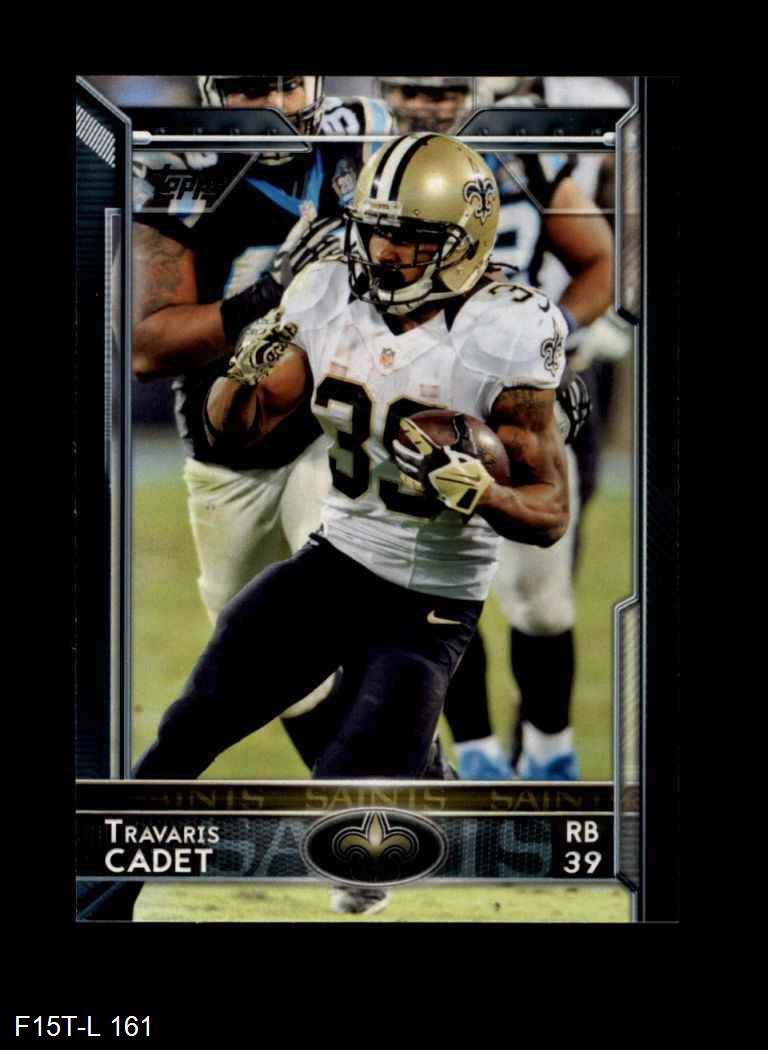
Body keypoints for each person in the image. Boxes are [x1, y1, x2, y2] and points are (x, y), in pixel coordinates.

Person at [79, 132, 570, 921]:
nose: (385, 252)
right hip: (336, 560)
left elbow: (549, 512)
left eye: (411, 238)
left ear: (464, 240)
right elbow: (237, 433)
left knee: (348, 840)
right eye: (375, 231)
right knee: (193, 723)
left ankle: (413, 778)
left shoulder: (508, 329)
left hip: (431, 601)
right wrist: (240, 372)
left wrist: (482, 494)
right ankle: (101, 904)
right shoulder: (327, 288)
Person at [131, 73, 393, 771]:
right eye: (250, 89)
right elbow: (146, 348)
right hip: (231, 435)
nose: (274, 108)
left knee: (345, 596)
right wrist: (269, 291)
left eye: (287, 85)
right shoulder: (179, 167)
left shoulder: (366, 134)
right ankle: (375, 784)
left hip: (334, 420)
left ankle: (404, 784)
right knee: (256, 649)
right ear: (212, 93)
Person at [376, 76, 613, 779]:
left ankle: (549, 757)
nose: (429, 105)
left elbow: (599, 261)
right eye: (412, 89)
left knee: (539, 599)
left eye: (447, 88)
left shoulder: (522, 149)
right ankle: (477, 760)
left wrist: (548, 335)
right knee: (438, 588)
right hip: (417, 396)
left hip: (520, 400)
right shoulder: (369, 161)